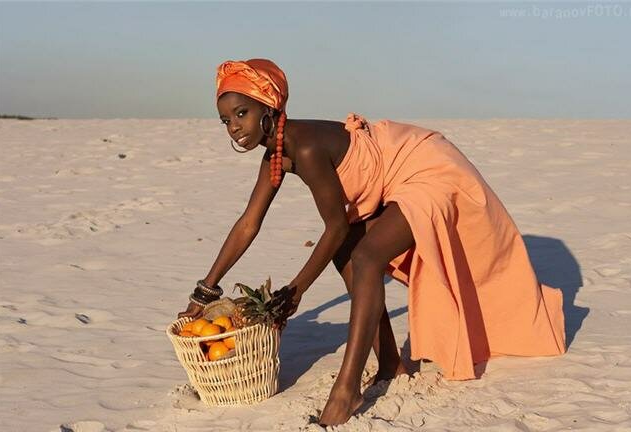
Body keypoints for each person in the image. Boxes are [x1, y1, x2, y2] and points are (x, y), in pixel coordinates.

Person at [177, 58, 566, 426]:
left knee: (364, 256)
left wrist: (296, 292)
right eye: (225, 119)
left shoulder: (307, 146)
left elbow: (335, 226)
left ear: (268, 107)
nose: (233, 127)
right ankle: (391, 363)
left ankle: (346, 391)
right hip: (396, 178)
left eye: (241, 113)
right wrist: (205, 290)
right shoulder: (275, 156)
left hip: (427, 169)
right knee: (345, 255)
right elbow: (248, 224)